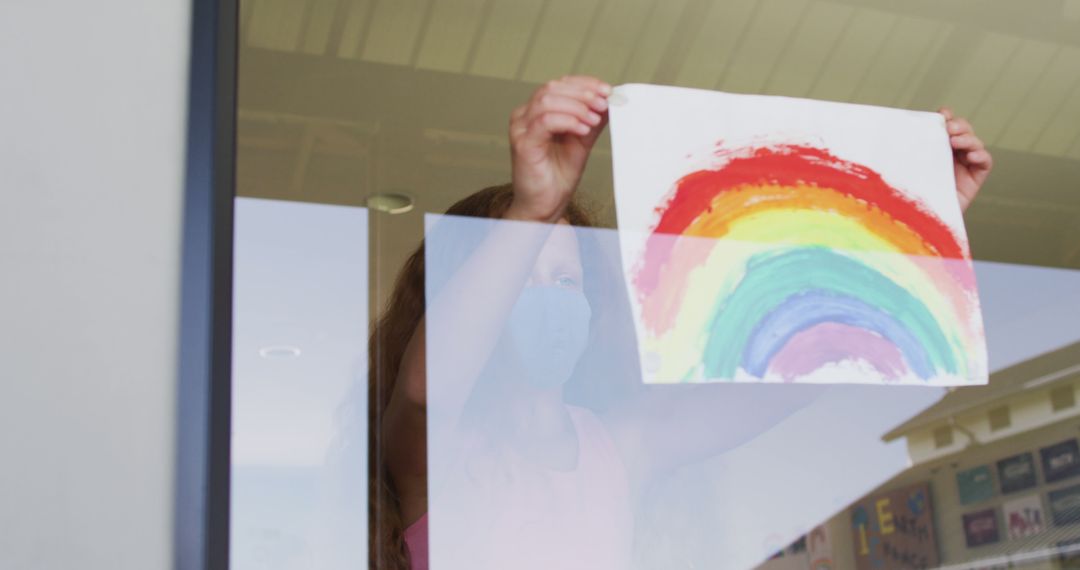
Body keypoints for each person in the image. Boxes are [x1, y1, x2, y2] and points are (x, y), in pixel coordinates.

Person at [368, 76, 994, 570]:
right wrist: (534, 208)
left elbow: (808, 364)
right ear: (462, 298)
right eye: (520, 275)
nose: (548, 299)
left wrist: (924, 230)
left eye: (566, 279)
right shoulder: (439, 452)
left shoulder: (617, 447)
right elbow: (425, 394)